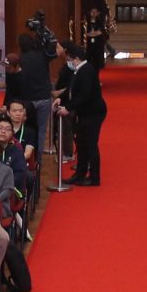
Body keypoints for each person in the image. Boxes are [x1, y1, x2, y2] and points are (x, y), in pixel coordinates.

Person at [55, 38, 105, 186]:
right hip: (85, 113)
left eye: (70, 59)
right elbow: (71, 89)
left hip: (93, 113)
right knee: (81, 143)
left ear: (76, 59)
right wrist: (61, 99)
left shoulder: (87, 71)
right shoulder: (79, 70)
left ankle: (94, 177)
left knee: (90, 143)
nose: (69, 62)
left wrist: (68, 108)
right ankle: (80, 174)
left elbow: (84, 95)